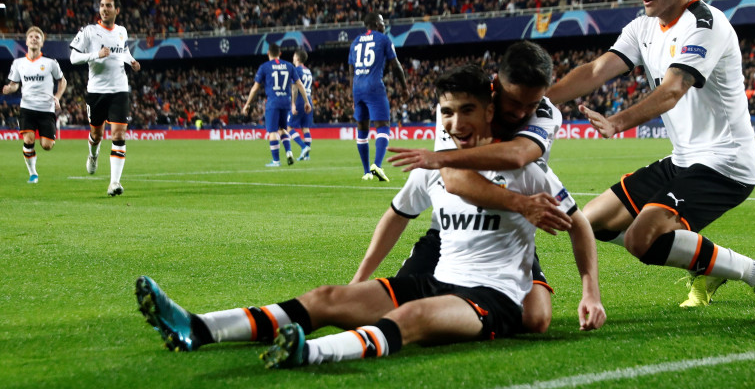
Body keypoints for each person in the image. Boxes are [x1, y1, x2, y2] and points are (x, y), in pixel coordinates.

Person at [135, 64, 605, 369]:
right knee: (327, 297)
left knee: (415, 317)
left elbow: (580, 223)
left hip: (494, 295)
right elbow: (396, 215)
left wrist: (590, 291)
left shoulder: (527, 170)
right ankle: (198, 328)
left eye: (467, 111)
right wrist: (363, 280)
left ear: (489, 113)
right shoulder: (434, 165)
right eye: (447, 112)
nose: (456, 123)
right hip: (438, 278)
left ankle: (311, 353)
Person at [545, 0, 755, 323]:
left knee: (640, 239)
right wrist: (535, 100)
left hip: (726, 163)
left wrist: (617, 122)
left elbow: (673, 90)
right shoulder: (642, 26)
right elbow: (596, 71)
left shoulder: (706, 25)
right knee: (586, 222)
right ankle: (706, 264)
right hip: (682, 160)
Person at [384, 41, 578, 333]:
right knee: (390, 308)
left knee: (535, 319)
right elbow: (453, 179)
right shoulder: (460, 106)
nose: (522, 112)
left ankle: (460, 308)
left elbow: (518, 155)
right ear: (495, 87)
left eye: (532, 103)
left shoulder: (546, 112)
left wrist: (440, 158)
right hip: (449, 228)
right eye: (514, 102)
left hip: (505, 232)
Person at [69, 0, 141, 196]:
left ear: (117, 10)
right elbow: (73, 57)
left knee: (118, 134)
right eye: (102, 5)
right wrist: (96, 55)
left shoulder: (121, 31)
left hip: (119, 89)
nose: (104, 9)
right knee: (97, 134)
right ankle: (93, 155)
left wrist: (132, 62)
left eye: (109, 6)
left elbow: (123, 51)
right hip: (96, 91)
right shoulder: (89, 31)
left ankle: (114, 183)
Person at [3, 26, 67, 184]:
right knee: (29, 139)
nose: (33, 39)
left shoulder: (50, 63)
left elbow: (62, 80)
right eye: (31, 36)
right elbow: (15, 84)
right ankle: (33, 174)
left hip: (46, 108)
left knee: (47, 145)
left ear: (42, 42)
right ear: (26, 41)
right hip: (27, 107)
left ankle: (44, 140)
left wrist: (57, 97)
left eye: (37, 37)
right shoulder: (18, 63)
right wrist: (10, 88)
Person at [349, 12, 407, 182]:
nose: (384, 25)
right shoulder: (383, 39)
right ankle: (377, 165)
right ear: (375, 23)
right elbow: (395, 65)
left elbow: (351, 71)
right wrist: (404, 87)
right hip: (374, 85)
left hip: (357, 87)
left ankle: (366, 171)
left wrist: (353, 95)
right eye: (382, 22)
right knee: (383, 125)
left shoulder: (355, 42)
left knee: (362, 128)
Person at [243, 43, 311, 167]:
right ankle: (289, 153)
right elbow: (299, 84)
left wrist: (247, 103)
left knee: (273, 131)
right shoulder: (289, 66)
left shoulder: (264, 67)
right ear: (280, 54)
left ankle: (276, 161)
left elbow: (255, 88)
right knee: (283, 129)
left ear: (268, 53)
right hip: (286, 102)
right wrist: (306, 101)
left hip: (273, 102)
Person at [288, 49, 313, 160]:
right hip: (308, 99)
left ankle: (303, 147)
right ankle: (306, 156)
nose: (293, 58)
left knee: (288, 127)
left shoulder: (296, 69)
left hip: (300, 100)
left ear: (297, 58)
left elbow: (294, 88)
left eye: (294, 56)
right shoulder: (308, 71)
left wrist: (293, 104)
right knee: (305, 128)